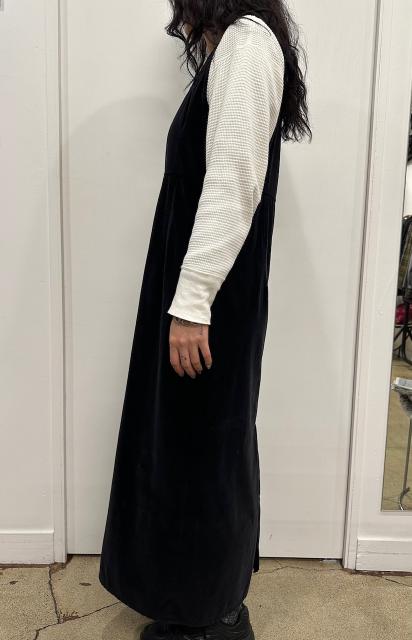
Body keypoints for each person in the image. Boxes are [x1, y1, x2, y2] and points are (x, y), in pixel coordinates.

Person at [98, 2, 311, 639]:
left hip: (212, 302)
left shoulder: (247, 45)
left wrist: (193, 303)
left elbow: (234, 185)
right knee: (198, 442)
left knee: (205, 446)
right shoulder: (232, 46)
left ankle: (214, 614)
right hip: (204, 292)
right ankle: (201, 597)